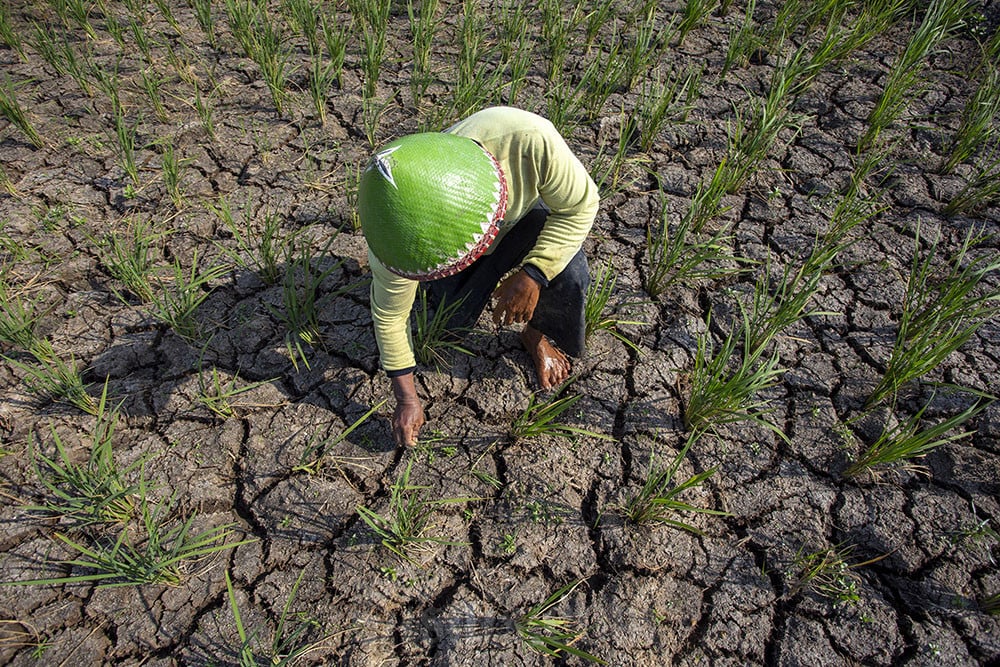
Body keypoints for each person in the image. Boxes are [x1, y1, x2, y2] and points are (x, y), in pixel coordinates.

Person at [358, 106, 599, 447]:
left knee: (570, 273)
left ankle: (535, 336)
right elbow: (390, 316)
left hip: (526, 221)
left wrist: (533, 274)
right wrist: (406, 398)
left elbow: (581, 206)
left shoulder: (529, 140)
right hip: (443, 236)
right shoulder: (392, 237)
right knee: (451, 325)